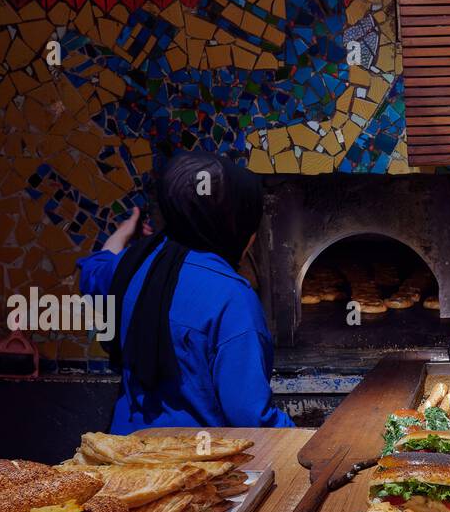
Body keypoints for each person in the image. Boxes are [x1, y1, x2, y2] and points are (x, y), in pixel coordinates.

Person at [79, 152, 293, 431]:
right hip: (196, 465)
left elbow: (93, 271)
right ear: (236, 226)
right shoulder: (232, 299)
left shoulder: (131, 264)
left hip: (123, 456)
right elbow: (249, 415)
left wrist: (123, 233)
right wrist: (302, 439)